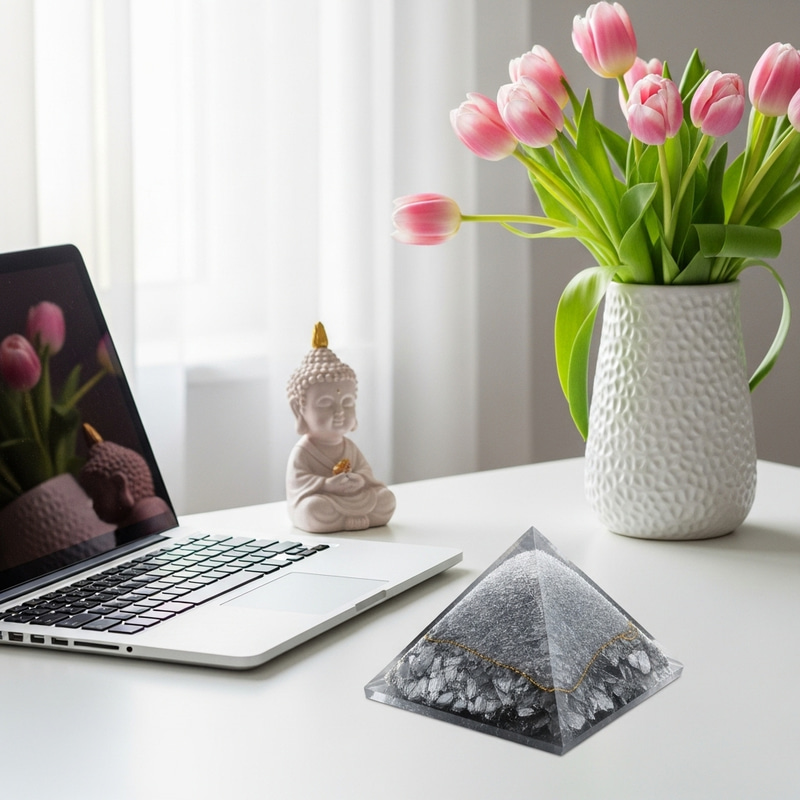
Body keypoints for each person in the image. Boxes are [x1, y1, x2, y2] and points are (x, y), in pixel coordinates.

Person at [286, 323, 395, 533]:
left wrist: (359, 479)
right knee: (313, 509)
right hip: (325, 501)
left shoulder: (349, 446)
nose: (339, 412)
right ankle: (344, 518)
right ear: (299, 410)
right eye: (325, 404)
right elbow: (298, 483)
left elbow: (364, 471)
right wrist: (327, 485)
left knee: (386, 500)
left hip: (353, 499)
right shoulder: (303, 451)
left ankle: (349, 518)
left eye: (347, 402)